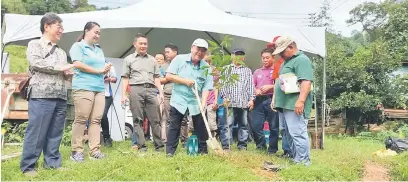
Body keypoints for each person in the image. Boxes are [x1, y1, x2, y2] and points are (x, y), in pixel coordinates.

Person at [20, 13, 74, 177]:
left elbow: (63, 71)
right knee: (36, 131)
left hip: (60, 95)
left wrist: (68, 74)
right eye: (59, 26)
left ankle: (52, 162)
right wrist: (60, 68)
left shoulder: (62, 52)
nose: (61, 30)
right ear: (47, 26)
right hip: (41, 94)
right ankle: (28, 166)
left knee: (56, 132)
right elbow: (36, 62)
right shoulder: (34, 44)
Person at [69, 21, 111, 162]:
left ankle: (95, 150)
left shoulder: (99, 49)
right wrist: (98, 70)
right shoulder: (78, 46)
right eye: (95, 32)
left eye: (99, 33)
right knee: (81, 119)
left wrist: (106, 68)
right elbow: (77, 64)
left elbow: (101, 66)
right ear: (86, 31)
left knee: (96, 120)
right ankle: (76, 151)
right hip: (83, 86)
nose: (98, 35)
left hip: (99, 88)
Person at [165, 38, 213, 156]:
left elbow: (207, 87)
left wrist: (203, 103)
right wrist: (184, 81)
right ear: (192, 47)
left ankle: (203, 151)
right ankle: (170, 152)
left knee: (201, 127)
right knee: (174, 126)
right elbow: (169, 76)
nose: (200, 52)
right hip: (179, 99)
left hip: (195, 100)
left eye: (203, 50)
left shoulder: (206, 68)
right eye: (198, 49)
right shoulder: (179, 59)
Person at [271, 35, 314, 166]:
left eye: (282, 52)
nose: (280, 55)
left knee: (297, 133)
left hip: (294, 105)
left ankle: (304, 162)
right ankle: (297, 159)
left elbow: (306, 82)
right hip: (284, 105)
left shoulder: (301, 60)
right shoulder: (285, 62)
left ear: (291, 47)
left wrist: (300, 101)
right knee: (287, 133)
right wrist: (275, 99)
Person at [121, 34, 164, 152]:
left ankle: (159, 146)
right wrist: (124, 95)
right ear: (135, 44)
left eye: (145, 44)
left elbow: (156, 77)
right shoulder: (128, 59)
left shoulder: (152, 60)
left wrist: (160, 92)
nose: (143, 46)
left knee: (155, 119)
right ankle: (141, 146)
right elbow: (125, 78)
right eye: (141, 43)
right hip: (135, 89)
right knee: (138, 119)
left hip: (151, 90)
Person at [219, 48, 255, 151]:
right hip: (230, 102)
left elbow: (250, 86)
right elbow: (222, 85)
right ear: (232, 56)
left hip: (243, 103)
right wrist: (224, 97)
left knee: (243, 125)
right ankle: (226, 146)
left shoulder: (247, 71)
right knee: (227, 125)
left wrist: (251, 99)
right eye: (236, 55)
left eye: (240, 56)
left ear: (243, 57)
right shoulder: (226, 69)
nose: (238, 57)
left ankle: (242, 146)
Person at [251, 48, 279, 154]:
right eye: (263, 58)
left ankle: (272, 149)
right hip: (258, 100)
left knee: (274, 126)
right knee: (256, 125)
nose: (265, 60)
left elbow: (280, 84)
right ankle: (261, 146)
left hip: (272, 99)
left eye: (267, 58)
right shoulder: (257, 71)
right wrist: (256, 90)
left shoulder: (276, 70)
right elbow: (252, 85)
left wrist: (270, 87)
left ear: (273, 58)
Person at [160, 44, 189, 145]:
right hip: (168, 94)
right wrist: (170, 77)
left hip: (182, 95)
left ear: (175, 52)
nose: (166, 54)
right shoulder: (163, 66)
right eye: (165, 52)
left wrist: (172, 77)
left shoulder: (184, 64)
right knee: (169, 120)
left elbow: (186, 78)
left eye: (168, 52)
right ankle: (170, 142)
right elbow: (159, 80)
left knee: (184, 119)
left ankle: (184, 140)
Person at [268, 36, 291, 157]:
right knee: (282, 127)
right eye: (273, 47)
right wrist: (274, 99)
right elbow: (276, 82)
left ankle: (294, 152)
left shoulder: (293, 61)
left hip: (291, 100)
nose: (274, 49)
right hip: (281, 100)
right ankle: (287, 150)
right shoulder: (278, 64)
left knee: (292, 127)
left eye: (275, 46)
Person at [101, 63, 117, 147]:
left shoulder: (108, 65)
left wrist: (109, 79)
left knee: (103, 115)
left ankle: (107, 137)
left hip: (107, 95)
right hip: (93, 92)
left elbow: (115, 79)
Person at [204, 55, 218, 137]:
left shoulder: (214, 71)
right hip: (200, 99)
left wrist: (215, 100)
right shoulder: (198, 69)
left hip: (211, 100)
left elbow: (216, 86)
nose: (206, 62)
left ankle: (213, 137)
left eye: (208, 60)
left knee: (211, 122)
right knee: (194, 121)